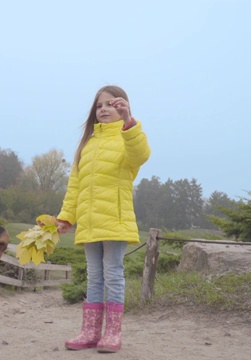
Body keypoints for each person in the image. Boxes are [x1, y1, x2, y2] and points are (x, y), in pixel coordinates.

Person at [57, 85, 150, 353]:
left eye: (111, 104)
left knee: (113, 274)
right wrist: (66, 218)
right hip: (88, 223)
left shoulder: (127, 137)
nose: (104, 109)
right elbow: (75, 187)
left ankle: (112, 333)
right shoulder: (87, 145)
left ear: (123, 107)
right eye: (100, 106)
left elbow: (141, 154)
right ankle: (89, 331)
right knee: (94, 276)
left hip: (114, 221)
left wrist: (129, 122)